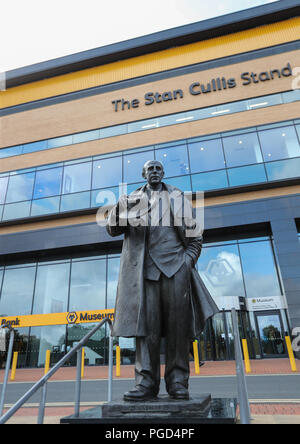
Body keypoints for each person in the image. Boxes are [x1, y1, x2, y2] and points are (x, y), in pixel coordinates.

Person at [106, 160, 218, 401]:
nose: (154, 172)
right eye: (150, 169)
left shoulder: (177, 197)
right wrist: (120, 205)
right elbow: (112, 229)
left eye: (158, 169)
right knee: (147, 330)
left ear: (163, 173)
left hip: (175, 268)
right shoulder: (133, 199)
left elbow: (195, 236)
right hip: (144, 273)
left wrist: (186, 262)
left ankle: (178, 382)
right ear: (143, 174)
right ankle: (145, 383)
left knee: (178, 328)